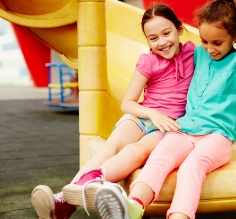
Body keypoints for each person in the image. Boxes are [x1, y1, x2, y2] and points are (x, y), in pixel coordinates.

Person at [94, 0, 236, 219]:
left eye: (217, 42)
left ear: (235, 34)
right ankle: (134, 205)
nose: (210, 49)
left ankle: (180, 215)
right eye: (205, 41)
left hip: (217, 136)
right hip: (184, 129)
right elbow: (173, 57)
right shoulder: (198, 54)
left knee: (192, 166)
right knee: (158, 157)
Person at [30, 3, 195, 219]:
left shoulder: (194, 53)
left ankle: (71, 198)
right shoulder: (148, 61)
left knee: (136, 151)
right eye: (153, 38)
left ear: (179, 29)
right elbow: (128, 103)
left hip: (166, 127)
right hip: (142, 116)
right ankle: (64, 199)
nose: (162, 42)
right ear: (147, 40)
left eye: (167, 33)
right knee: (110, 147)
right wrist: (152, 113)